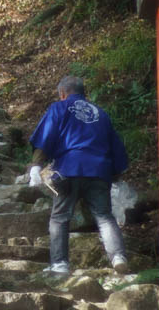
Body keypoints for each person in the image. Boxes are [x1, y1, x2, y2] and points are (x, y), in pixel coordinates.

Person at [30, 76, 133, 277]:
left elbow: (46, 136)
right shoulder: (101, 114)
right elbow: (116, 146)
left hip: (69, 168)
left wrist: (36, 165)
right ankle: (118, 257)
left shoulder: (59, 108)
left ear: (62, 94)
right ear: (84, 93)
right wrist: (116, 175)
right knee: (104, 217)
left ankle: (60, 264)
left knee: (60, 217)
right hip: (99, 170)